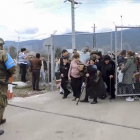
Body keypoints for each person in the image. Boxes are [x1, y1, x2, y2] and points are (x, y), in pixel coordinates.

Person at [0, 38, 15, 135]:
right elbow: (11, 67)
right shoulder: (3, 53)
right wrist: (10, 74)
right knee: (1, 101)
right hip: (1, 82)